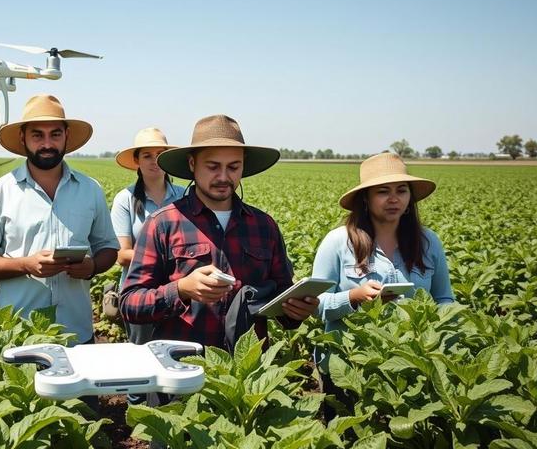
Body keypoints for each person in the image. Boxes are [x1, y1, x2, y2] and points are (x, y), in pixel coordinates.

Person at [119, 114, 318, 352]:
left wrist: (296, 310)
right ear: (192, 164)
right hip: (183, 367)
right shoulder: (163, 223)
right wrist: (181, 289)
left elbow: (281, 295)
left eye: (233, 167)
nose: (224, 177)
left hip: (246, 373)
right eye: (213, 167)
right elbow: (130, 302)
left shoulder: (264, 226)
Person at [0, 94, 119, 345]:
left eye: (55, 134)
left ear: (66, 136)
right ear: (23, 138)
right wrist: (26, 264)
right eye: (37, 135)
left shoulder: (90, 190)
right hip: (19, 334)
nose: (47, 143)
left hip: (76, 331)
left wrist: (91, 266)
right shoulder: (0, 191)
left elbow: (108, 247)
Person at [311, 152, 454, 408]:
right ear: (365, 198)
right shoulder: (338, 242)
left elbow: (445, 298)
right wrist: (354, 298)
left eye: (401, 190)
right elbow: (316, 303)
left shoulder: (429, 242)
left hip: (412, 362)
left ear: (410, 198)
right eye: (382, 191)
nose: (393, 199)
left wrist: (442, 336)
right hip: (349, 365)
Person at [110, 127, 186, 346]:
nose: (154, 161)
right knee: (143, 354)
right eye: (147, 155)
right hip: (140, 294)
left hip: (180, 291)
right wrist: (165, 259)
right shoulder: (126, 199)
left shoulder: (184, 195)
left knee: (180, 355)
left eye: (160, 154)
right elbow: (122, 255)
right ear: (137, 161)